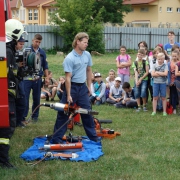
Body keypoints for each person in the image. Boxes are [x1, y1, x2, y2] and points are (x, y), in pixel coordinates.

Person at [52, 32, 98, 144]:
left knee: (87, 112)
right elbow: (67, 78)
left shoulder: (87, 55)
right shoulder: (69, 58)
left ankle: (93, 138)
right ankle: (56, 139)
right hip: (71, 87)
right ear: (78, 42)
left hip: (82, 87)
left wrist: (89, 87)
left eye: (87, 42)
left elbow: (88, 70)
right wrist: (68, 95)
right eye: (84, 42)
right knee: (64, 112)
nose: (86, 44)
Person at [0, 19, 25, 168]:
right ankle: (3, 161)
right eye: (20, 39)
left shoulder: (6, 50)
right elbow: (8, 75)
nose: (21, 42)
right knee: (6, 128)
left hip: (7, 95)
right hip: (6, 95)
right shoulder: (7, 51)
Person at [23, 34, 48, 122]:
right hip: (27, 78)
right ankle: (23, 116)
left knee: (36, 98)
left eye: (39, 42)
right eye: (36, 41)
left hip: (38, 78)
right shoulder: (26, 51)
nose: (37, 43)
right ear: (32, 40)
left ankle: (35, 116)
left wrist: (47, 78)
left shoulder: (42, 53)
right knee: (25, 97)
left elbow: (45, 66)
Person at [15, 36, 28, 128]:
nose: (22, 46)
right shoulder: (10, 53)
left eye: (23, 44)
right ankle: (16, 121)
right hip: (14, 81)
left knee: (22, 101)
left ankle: (19, 121)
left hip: (20, 80)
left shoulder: (21, 53)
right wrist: (17, 65)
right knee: (17, 102)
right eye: (20, 44)